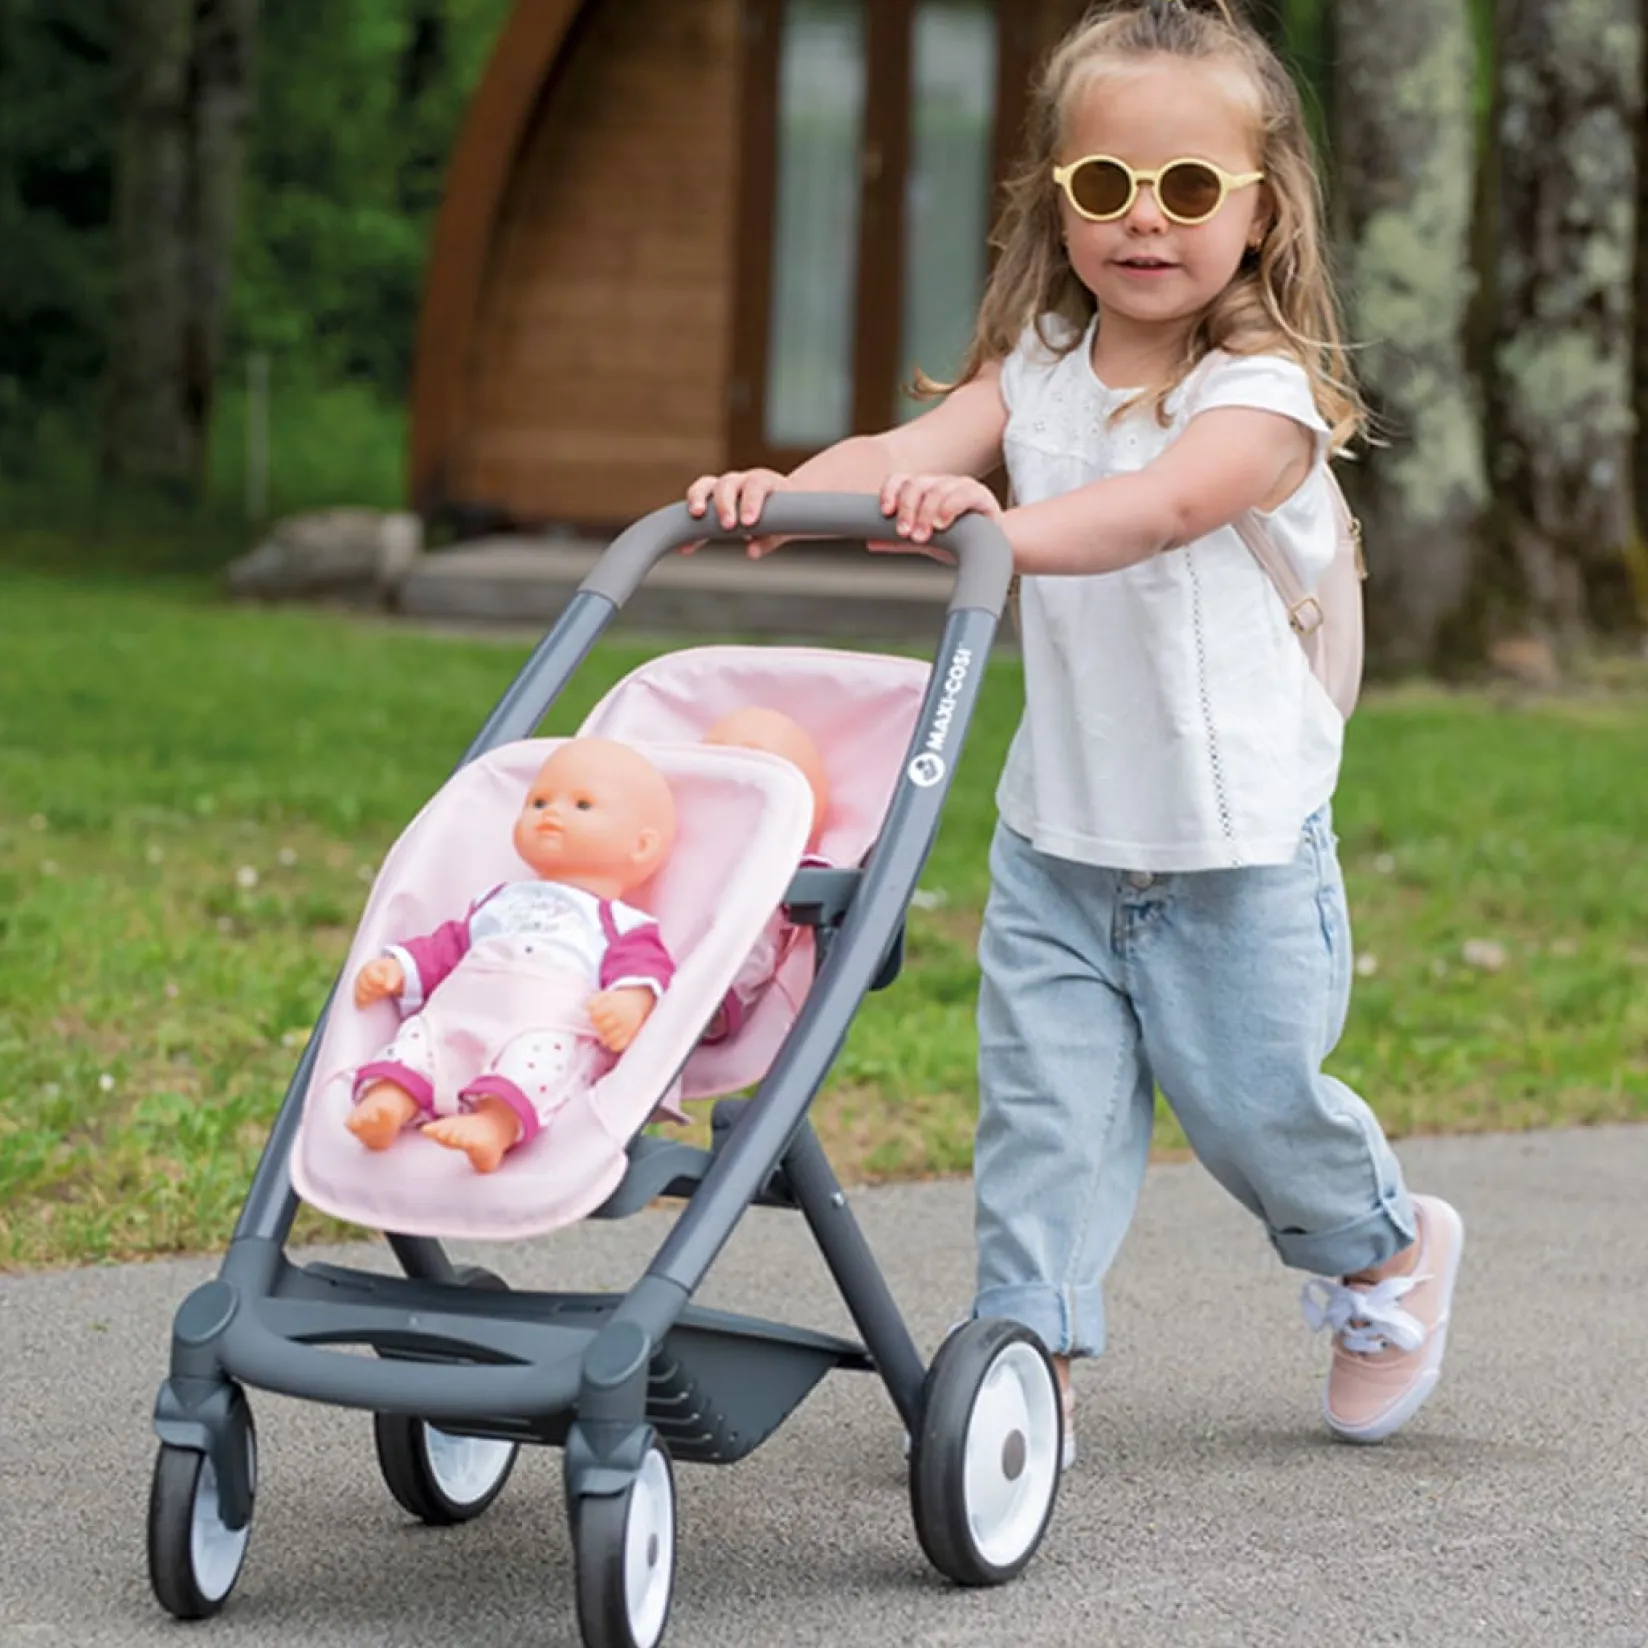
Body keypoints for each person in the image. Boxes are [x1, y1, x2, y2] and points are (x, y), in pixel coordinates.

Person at [685, 0, 1462, 1455]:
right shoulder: (1038, 367)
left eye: (1188, 187)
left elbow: (1158, 508)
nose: (1143, 218)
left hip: (1231, 844)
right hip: (1060, 834)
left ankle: (1379, 1248)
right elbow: (903, 453)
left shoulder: (1261, 398)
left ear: (1260, 207)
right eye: (1106, 184)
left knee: (1253, 1110)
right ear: (1059, 199)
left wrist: (987, 526)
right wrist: (792, 494)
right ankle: (1022, 1358)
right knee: (1042, 1113)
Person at [345, 737, 677, 1173]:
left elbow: (646, 968)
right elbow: (450, 945)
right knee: (417, 1044)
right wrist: (399, 968)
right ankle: (389, 1102)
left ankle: (494, 1125)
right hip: (458, 1010)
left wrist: (630, 1003)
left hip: (541, 1023)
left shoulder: (620, 922)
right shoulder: (496, 900)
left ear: (641, 847)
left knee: (539, 1064)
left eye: (582, 805)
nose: (550, 813)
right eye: (538, 802)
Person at [698, 706, 832, 1044]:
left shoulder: (785, 856)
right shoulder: (682, 833)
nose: (725, 767)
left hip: (718, 978)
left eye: (750, 758)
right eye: (711, 754)